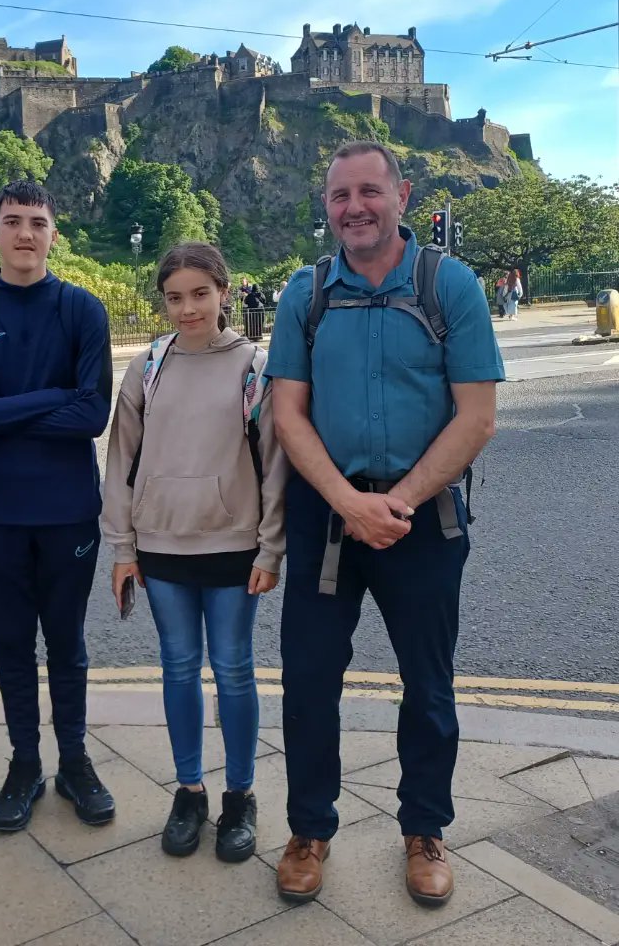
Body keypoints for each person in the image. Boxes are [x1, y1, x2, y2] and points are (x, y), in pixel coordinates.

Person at [264, 142, 503, 907]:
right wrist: (346, 501)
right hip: (327, 515)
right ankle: (309, 830)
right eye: (340, 196)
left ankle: (425, 829)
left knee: (428, 685)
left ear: (402, 194)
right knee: (307, 682)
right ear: (326, 206)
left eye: (370, 191)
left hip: (421, 516)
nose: (355, 207)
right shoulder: (305, 295)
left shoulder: (449, 285)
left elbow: (478, 417)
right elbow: (286, 415)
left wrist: (393, 501)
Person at [101, 242, 288, 863]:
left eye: (200, 294)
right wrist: (122, 547)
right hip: (161, 545)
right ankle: (189, 791)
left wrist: (271, 549)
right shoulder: (147, 367)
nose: (187, 308)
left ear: (224, 295)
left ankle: (240, 797)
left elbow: (275, 466)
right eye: (175, 297)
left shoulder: (255, 367)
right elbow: (120, 462)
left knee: (234, 669)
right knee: (178, 668)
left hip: (234, 546)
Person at [0, 179, 115, 833]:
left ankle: (73, 760)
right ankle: (24, 763)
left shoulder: (82, 310)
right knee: (11, 645)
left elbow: (92, 413)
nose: (24, 234)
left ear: (52, 234)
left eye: (37, 222)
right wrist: (49, 398)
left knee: (66, 643)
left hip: (68, 507)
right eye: (12, 220)